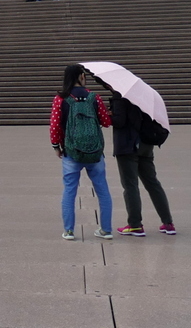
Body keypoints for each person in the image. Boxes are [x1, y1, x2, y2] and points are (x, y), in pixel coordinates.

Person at [49, 65, 114, 241]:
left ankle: (69, 231)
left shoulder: (61, 98)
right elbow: (106, 122)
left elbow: (55, 126)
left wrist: (56, 146)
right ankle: (106, 229)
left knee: (69, 191)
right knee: (102, 190)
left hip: (71, 151)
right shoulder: (94, 97)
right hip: (95, 152)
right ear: (81, 76)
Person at [105, 88, 175, 236]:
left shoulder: (120, 96)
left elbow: (120, 121)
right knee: (152, 183)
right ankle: (168, 222)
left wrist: (108, 114)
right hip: (145, 144)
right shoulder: (142, 94)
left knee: (130, 186)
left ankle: (135, 224)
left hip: (127, 146)